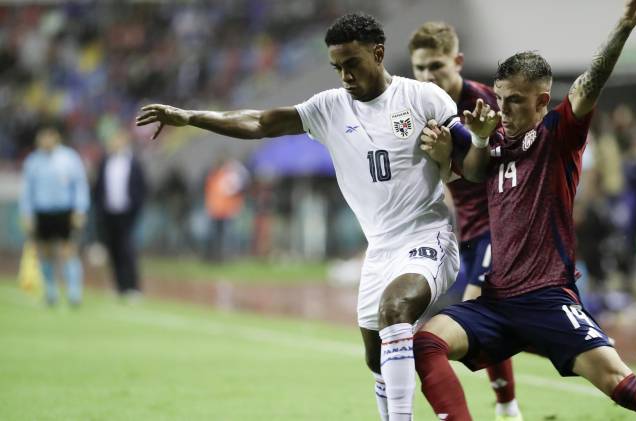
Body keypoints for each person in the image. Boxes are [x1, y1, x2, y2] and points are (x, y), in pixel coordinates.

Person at [136, 13, 464, 420]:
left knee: (396, 311)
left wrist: (460, 149)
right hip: (380, 249)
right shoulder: (328, 108)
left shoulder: (423, 99)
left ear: (378, 53)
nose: (344, 75)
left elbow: (471, 162)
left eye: (352, 64)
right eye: (337, 68)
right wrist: (192, 117)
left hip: (428, 234)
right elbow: (259, 121)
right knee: (377, 358)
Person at [414, 1, 636, 419]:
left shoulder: (559, 134)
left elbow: (591, 82)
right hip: (497, 301)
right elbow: (472, 176)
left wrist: (623, 25)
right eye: (499, 98)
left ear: (541, 100)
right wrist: (475, 140)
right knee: (427, 342)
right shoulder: (493, 142)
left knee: (623, 386)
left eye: (513, 101)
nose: (502, 110)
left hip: (547, 298)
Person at [408, 21, 521, 421]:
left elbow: (506, 164)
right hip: (468, 230)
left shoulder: (485, 103)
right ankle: (509, 400)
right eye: (419, 67)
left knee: (474, 311)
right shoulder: (419, 108)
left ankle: (507, 407)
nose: (426, 76)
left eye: (435, 65)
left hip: (501, 223)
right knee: (492, 316)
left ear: (457, 60)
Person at [19, 124, 90, 307]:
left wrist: (80, 209)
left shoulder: (69, 158)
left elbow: (80, 184)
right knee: (45, 253)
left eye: (48, 137)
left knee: (68, 251)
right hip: (42, 211)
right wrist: (26, 213)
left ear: (55, 137)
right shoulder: (33, 161)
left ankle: (74, 292)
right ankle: (51, 291)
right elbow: (27, 191)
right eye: (42, 137)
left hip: (64, 211)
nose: (45, 141)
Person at [92, 129, 148, 299]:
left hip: (127, 214)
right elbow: (98, 187)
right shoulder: (105, 162)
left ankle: (133, 286)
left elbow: (142, 188)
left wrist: (135, 210)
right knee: (113, 250)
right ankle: (119, 287)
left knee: (127, 249)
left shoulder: (134, 162)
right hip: (109, 213)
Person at [203, 154, 248, 262]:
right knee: (215, 235)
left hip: (226, 211)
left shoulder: (228, 176)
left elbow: (237, 189)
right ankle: (214, 257)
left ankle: (225, 257)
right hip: (215, 210)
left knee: (226, 236)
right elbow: (210, 193)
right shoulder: (214, 176)